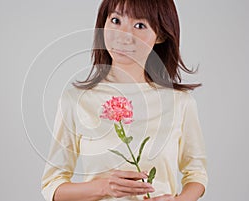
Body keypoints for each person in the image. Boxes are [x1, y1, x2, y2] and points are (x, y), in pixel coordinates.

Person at [41, 0, 208, 200]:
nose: (123, 36)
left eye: (140, 25)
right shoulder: (76, 100)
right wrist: (103, 187)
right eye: (115, 20)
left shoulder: (180, 103)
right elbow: (52, 186)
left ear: (161, 35)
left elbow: (197, 174)